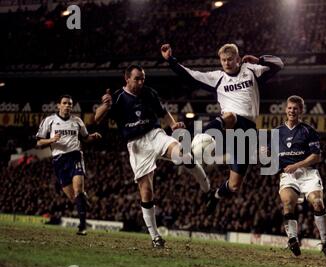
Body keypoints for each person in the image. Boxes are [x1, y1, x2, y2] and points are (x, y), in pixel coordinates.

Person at [94, 64, 210, 248]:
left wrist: (172, 126)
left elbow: (163, 112)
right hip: (136, 144)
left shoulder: (148, 92)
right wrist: (105, 105)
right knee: (146, 191)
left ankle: (206, 189)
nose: (141, 82)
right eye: (137, 78)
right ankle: (155, 236)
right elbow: (97, 118)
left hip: (155, 134)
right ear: (127, 78)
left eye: (143, 78)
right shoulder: (116, 98)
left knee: (183, 154)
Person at [161, 43, 284, 214]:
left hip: (247, 133)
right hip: (228, 125)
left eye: (230, 59)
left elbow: (278, 64)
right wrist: (171, 60)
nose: (226, 63)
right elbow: (190, 76)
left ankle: (215, 196)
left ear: (238, 59)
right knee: (230, 116)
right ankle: (195, 141)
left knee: (234, 185)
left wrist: (258, 59)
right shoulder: (217, 78)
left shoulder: (251, 70)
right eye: (223, 60)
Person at [273, 95, 326, 258]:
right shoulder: (276, 132)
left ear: (301, 111)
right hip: (289, 176)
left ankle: (325, 242)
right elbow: (268, 156)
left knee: (318, 203)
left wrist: (296, 165)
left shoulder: (308, 131)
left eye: (296, 108)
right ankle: (292, 240)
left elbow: (316, 156)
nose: (292, 111)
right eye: (290, 108)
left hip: (308, 174)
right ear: (286, 109)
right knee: (287, 202)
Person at [36, 94, 102, 235]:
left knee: (78, 190)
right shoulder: (49, 121)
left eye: (70, 104)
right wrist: (51, 140)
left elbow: (85, 138)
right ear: (58, 105)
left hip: (75, 156)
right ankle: (83, 202)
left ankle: (82, 226)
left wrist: (93, 137)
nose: (67, 106)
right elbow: (39, 143)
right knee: (74, 197)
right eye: (65, 103)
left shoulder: (77, 121)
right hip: (58, 160)